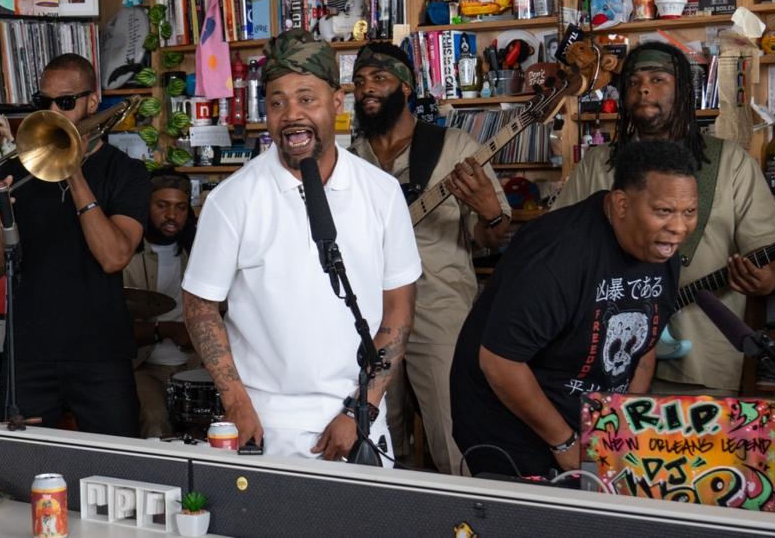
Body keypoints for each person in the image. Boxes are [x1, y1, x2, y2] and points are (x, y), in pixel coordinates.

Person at [181, 29, 421, 463]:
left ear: (337, 103)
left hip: (359, 424)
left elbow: (398, 309)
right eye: (277, 102)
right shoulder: (230, 200)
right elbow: (199, 306)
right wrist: (235, 401)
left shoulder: (382, 194)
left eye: (306, 98)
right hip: (262, 424)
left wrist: (361, 407)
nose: (292, 114)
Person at [452, 140, 698, 477]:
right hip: (509, 424)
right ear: (622, 204)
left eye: (690, 212)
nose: (679, 227)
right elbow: (500, 363)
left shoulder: (660, 249)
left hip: (584, 423)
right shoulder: (558, 254)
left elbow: (644, 345)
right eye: (664, 211)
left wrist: (619, 426)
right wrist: (566, 445)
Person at [553, 42, 775, 396]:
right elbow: (559, 250)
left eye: (658, 79)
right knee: (610, 452)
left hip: (702, 360)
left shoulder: (730, 162)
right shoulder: (597, 164)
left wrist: (762, 279)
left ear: (684, 90)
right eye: (633, 81)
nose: (643, 88)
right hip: (604, 356)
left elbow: (769, 262)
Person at [349, 42, 509, 474]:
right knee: (377, 433)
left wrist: (490, 210)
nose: (367, 89)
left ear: (405, 86)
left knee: (453, 433)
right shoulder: (348, 160)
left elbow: (493, 237)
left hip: (439, 311)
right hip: (367, 318)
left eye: (379, 79)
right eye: (360, 81)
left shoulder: (454, 146)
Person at [0, 53, 150, 437]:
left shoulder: (128, 173)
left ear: (93, 101)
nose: (53, 112)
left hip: (101, 352)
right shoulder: (14, 169)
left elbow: (114, 257)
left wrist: (73, 173)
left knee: (115, 467)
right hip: (30, 351)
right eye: (44, 102)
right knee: (22, 471)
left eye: (65, 103)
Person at [124, 169, 201, 438]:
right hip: (145, 368)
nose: (172, 215)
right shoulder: (124, 254)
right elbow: (113, 330)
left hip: (196, 363)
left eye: (180, 207)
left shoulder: (200, 252)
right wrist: (166, 330)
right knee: (154, 419)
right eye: (162, 205)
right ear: (146, 205)